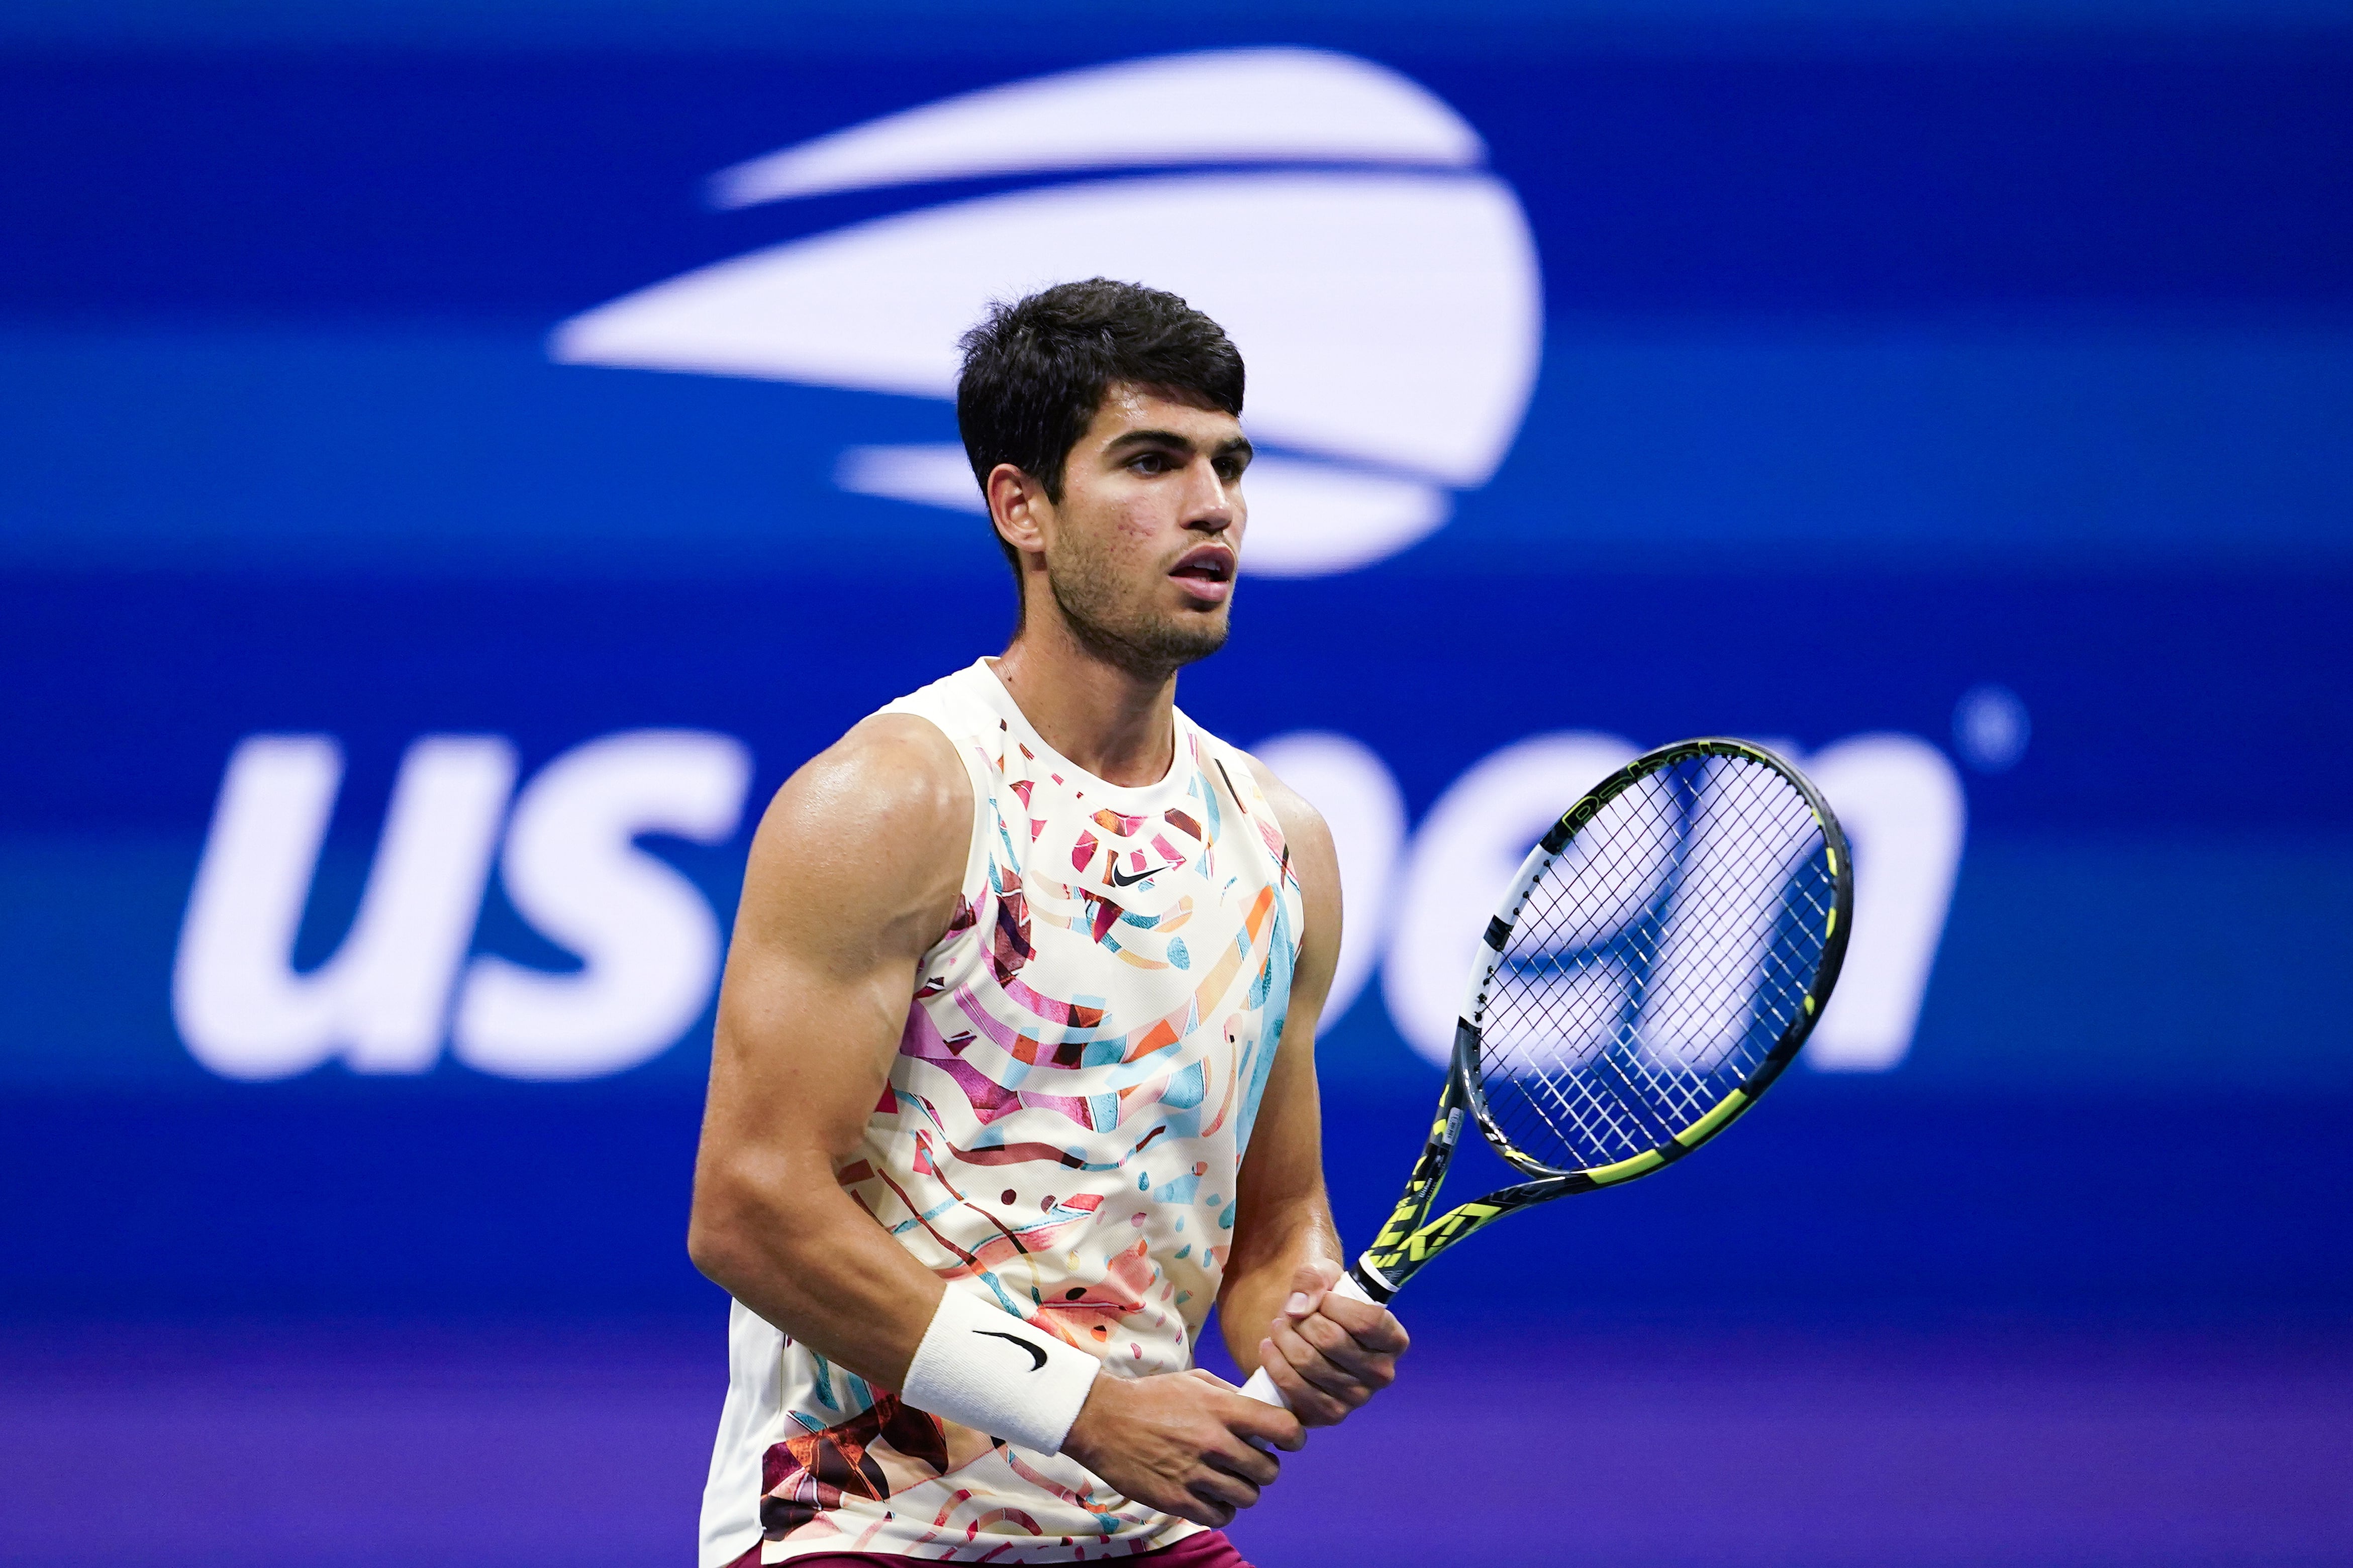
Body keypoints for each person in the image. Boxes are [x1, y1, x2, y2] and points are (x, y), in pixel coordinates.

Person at [688, 279, 1409, 1567]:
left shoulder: (1282, 843)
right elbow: (750, 1207)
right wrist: (1087, 1409)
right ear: (1021, 506)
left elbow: (1272, 1220)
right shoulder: (894, 798)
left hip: (1139, 1531)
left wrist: (1297, 1305)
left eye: (1229, 465)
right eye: (1150, 461)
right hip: (858, 1523)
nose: (1212, 506)